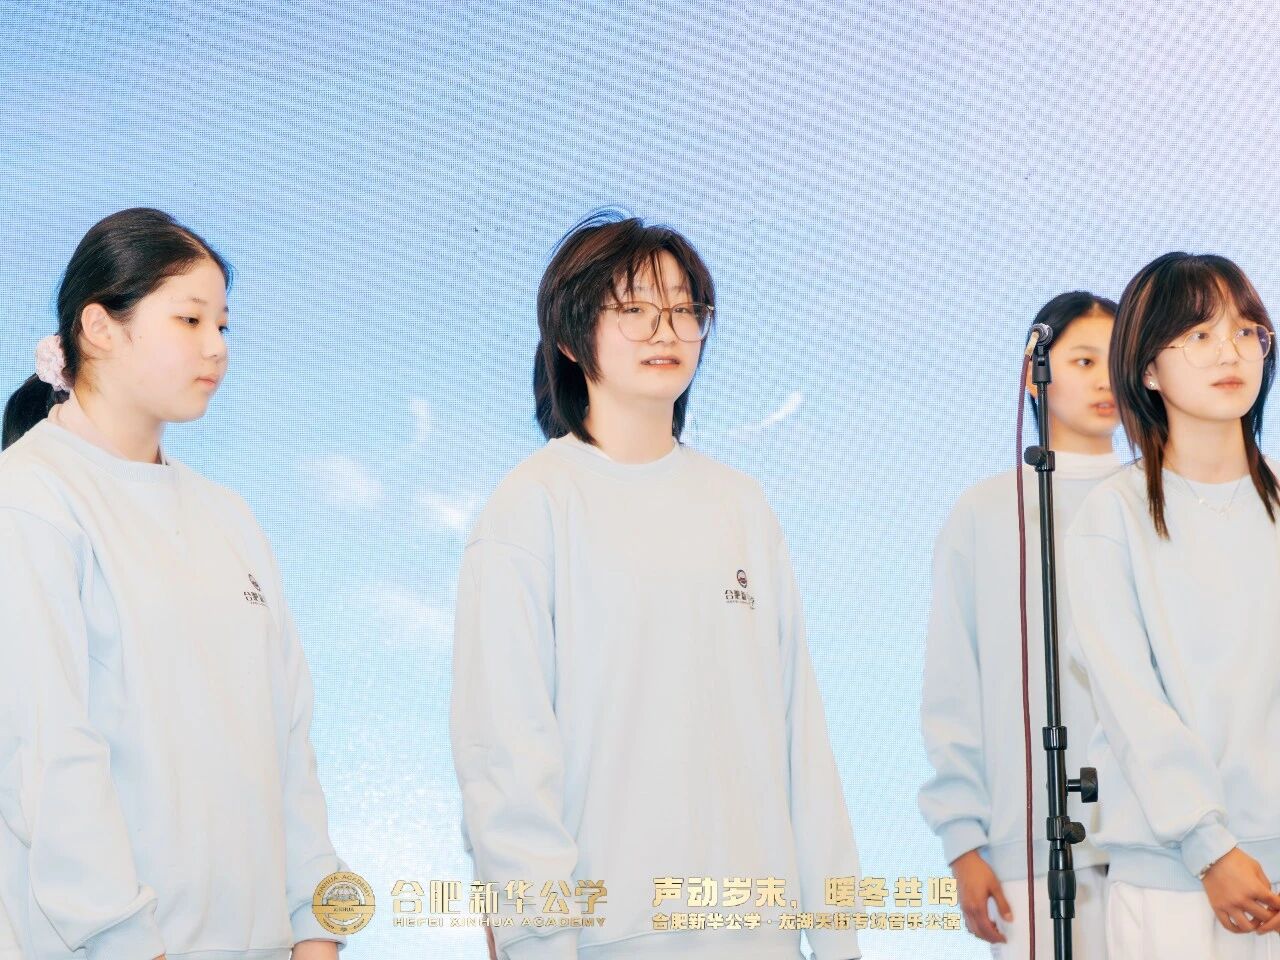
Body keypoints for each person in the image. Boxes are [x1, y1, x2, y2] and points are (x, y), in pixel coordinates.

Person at [450, 211, 861, 960]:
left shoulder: (742, 506)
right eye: (634, 308)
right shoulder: (533, 504)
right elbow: (505, 754)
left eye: (682, 308)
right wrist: (540, 940)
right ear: (571, 337)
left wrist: (837, 941)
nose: (665, 329)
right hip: (605, 937)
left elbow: (801, 739)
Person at [0, 208, 345, 960]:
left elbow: (288, 744)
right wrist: (127, 942)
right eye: (190, 320)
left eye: (223, 326)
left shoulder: (229, 516)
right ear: (100, 327)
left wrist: (318, 928)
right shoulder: (29, 497)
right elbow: (44, 752)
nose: (216, 347)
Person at [1066, 253, 1280, 957]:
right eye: (1199, 335)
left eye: (1247, 331)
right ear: (1148, 368)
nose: (1230, 351)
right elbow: (1131, 702)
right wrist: (1209, 847)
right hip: (1174, 882)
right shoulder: (1112, 517)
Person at [919, 292, 1121, 958]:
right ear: (1033, 375)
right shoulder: (984, 512)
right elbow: (955, 682)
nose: (1105, 379)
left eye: (1117, 360)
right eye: (1084, 360)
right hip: (1025, 846)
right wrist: (963, 842)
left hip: (1160, 852)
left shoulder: (1153, 496)